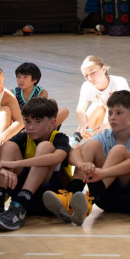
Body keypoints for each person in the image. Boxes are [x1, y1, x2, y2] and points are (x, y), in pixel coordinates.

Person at [44, 90, 130, 226]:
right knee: (91, 145)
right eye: (110, 113)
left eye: (119, 113)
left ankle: (89, 200)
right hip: (104, 198)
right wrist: (81, 164)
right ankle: (71, 199)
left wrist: (103, 173)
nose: (112, 117)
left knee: (119, 150)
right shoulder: (105, 135)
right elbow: (74, 153)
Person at [0, 98, 71, 231]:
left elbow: (58, 157)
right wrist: (3, 169)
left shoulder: (60, 137)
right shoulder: (23, 137)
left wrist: (15, 163)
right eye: (27, 121)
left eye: (38, 121)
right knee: (8, 146)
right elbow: (3, 157)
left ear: (52, 123)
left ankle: (19, 206)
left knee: (45, 147)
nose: (30, 127)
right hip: (22, 199)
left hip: (51, 198)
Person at [75, 56, 130, 142]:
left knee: (111, 105)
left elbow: (126, 110)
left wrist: (107, 124)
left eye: (93, 72)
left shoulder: (119, 82)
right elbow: (80, 109)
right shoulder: (86, 86)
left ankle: (103, 141)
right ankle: (76, 140)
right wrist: (83, 123)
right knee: (97, 106)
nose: (90, 78)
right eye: (86, 75)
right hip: (102, 124)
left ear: (104, 69)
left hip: (123, 122)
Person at [13, 63, 69, 127]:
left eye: (25, 77)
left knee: (64, 110)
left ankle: (41, 130)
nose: (21, 80)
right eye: (19, 77)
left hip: (37, 122)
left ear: (34, 80)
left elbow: (38, 112)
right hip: (20, 123)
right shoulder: (13, 92)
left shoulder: (41, 92)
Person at [0, 68, 24, 145]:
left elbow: (20, 121)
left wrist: (3, 136)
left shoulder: (6, 95)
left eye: (3, 81)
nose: (3, 85)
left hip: (2, 135)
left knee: (5, 111)